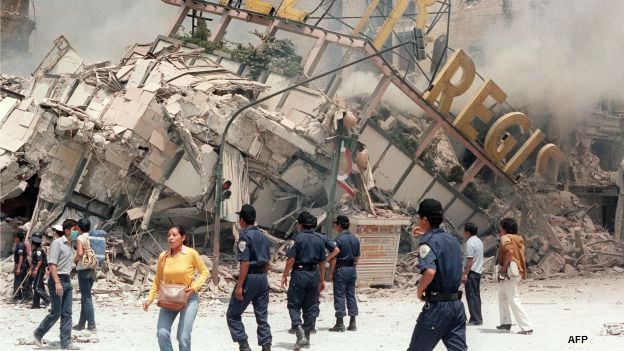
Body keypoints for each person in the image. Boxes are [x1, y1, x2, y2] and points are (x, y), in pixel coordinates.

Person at [407, 199, 467, 351]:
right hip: (456, 306)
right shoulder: (452, 239)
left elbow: (430, 271)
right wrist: (425, 234)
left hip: (438, 308)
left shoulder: (427, 242)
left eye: (419, 217)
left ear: (425, 219)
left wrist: (420, 291)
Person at [143, 225, 210, 351]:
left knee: (183, 336)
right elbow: (157, 280)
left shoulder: (191, 254)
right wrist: (149, 299)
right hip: (168, 299)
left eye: (174, 235)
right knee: (162, 333)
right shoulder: (163, 256)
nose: (170, 238)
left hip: (188, 299)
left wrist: (194, 288)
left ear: (183, 237)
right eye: (168, 235)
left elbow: (205, 272)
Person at [226, 205, 272, 351]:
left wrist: (240, 285)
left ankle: (244, 346)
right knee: (262, 315)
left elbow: (245, 262)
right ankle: (266, 346)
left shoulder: (245, 237)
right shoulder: (264, 236)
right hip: (262, 278)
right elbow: (267, 262)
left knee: (233, 314)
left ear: (242, 220)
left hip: (250, 278)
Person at [281, 211, 329, 350]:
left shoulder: (297, 239)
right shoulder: (320, 240)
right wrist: (321, 279)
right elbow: (322, 262)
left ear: (300, 225)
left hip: (300, 274)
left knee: (293, 305)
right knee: (310, 306)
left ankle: (299, 331)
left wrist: (284, 274)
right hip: (314, 275)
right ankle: (306, 338)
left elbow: (291, 259)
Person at [34, 219, 80, 350]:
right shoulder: (57, 243)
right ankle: (38, 333)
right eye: (74, 230)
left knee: (67, 313)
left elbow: (73, 261)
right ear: (66, 231)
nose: (76, 232)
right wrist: (57, 282)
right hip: (57, 280)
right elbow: (52, 264)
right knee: (56, 312)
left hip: (67, 280)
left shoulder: (71, 245)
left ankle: (66, 342)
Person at [496, 218, 533, 335]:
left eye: (501, 227)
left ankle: (526, 327)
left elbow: (510, 252)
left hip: (509, 272)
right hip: (518, 272)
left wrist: (502, 269)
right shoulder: (519, 239)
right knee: (502, 295)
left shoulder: (505, 238)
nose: (500, 230)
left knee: (513, 298)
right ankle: (505, 322)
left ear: (504, 229)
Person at [328, 215, 360, 332]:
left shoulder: (338, 240)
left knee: (340, 295)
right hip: (351, 269)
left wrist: (331, 273)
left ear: (340, 226)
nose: (336, 227)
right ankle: (352, 322)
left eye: (336, 224)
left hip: (341, 269)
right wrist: (353, 268)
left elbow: (334, 258)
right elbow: (357, 257)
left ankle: (340, 323)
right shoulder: (355, 239)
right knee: (351, 295)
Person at [73, 218, 97, 331]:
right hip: (93, 269)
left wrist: (75, 260)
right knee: (85, 297)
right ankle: (81, 324)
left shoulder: (80, 238)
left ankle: (91, 325)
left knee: (86, 298)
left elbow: (80, 253)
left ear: (79, 227)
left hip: (83, 269)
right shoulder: (92, 236)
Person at [462, 222, 483, 326]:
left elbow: (469, 260)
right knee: (476, 295)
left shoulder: (470, 243)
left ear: (468, 232)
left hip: (472, 272)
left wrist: (465, 274)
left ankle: (476, 319)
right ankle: (477, 317)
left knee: (471, 296)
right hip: (478, 272)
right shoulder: (479, 241)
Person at [31, 234, 50, 309]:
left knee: (37, 288)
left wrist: (36, 269)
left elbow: (40, 261)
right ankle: (36, 304)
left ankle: (48, 299)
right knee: (38, 286)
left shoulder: (38, 250)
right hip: (38, 270)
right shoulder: (35, 250)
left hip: (39, 270)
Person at [13, 231, 29, 301]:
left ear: (18, 238)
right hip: (23, 265)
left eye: (15, 237)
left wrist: (18, 268)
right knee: (23, 281)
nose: (14, 239)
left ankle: (16, 297)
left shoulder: (20, 245)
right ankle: (23, 296)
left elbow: (21, 257)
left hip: (21, 265)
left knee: (17, 281)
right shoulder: (21, 244)